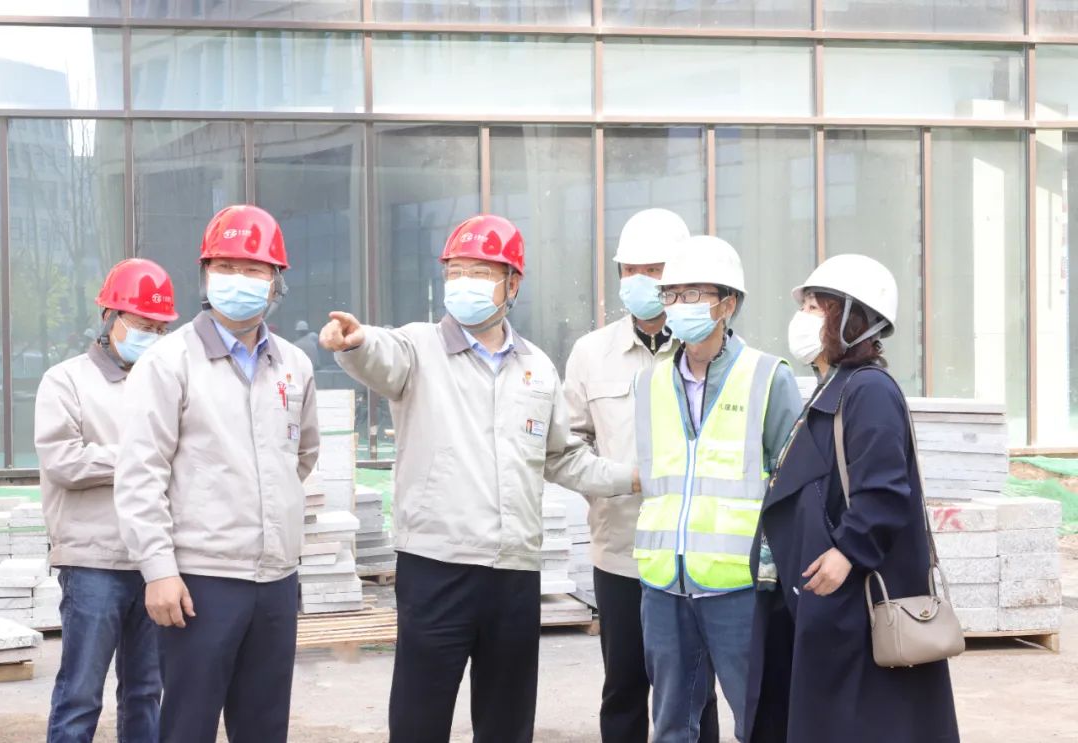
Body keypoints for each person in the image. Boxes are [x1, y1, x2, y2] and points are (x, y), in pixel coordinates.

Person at [319, 214, 639, 743]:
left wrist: (630, 478)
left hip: (514, 572)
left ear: (513, 284)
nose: (464, 282)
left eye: (481, 271)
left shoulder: (536, 367)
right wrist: (354, 342)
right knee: (419, 721)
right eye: (456, 271)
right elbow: (380, 354)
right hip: (437, 567)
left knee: (507, 721)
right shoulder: (418, 348)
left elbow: (561, 457)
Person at [114, 205, 320, 743]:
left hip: (275, 578)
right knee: (188, 724)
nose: (238, 279)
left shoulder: (294, 365)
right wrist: (158, 569)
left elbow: (301, 455)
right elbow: (140, 475)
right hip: (199, 581)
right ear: (205, 274)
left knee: (264, 726)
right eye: (226, 266)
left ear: (276, 281)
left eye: (253, 269)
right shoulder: (169, 362)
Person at [744, 255, 960, 743]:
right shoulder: (834, 389)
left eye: (815, 307)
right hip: (827, 601)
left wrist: (848, 551)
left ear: (849, 318)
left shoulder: (868, 391)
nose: (802, 318)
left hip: (855, 599)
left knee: (864, 722)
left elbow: (885, 489)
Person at [633, 236, 802, 743]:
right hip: (664, 584)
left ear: (728, 304)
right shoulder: (650, 383)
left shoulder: (768, 377)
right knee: (671, 726)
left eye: (694, 294)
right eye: (672, 294)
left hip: (741, 588)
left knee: (760, 721)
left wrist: (776, 572)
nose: (679, 305)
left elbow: (794, 485)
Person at [564, 209, 721, 743]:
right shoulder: (591, 354)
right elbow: (568, 448)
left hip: (697, 551)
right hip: (622, 552)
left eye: (653, 270)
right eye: (630, 270)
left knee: (694, 689)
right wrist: (624, 479)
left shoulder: (712, 349)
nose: (640, 281)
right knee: (624, 686)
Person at [36, 258, 178, 743]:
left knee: (145, 692)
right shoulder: (66, 381)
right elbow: (64, 462)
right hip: (93, 561)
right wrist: (141, 458)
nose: (151, 335)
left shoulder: (166, 382)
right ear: (109, 317)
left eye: (159, 328)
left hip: (155, 564)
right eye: (142, 324)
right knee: (80, 693)